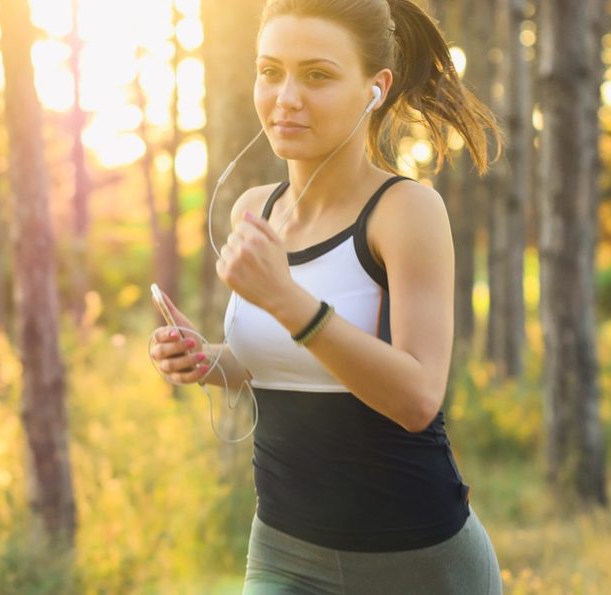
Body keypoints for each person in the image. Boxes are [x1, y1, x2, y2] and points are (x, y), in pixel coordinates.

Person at [149, 0, 504, 592]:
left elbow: (417, 397)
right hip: (284, 552)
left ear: (375, 87)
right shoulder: (253, 211)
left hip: (419, 562)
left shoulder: (404, 212)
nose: (286, 97)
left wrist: (289, 302)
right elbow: (291, 364)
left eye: (317, 75)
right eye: (270, 71)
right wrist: (208, 360)